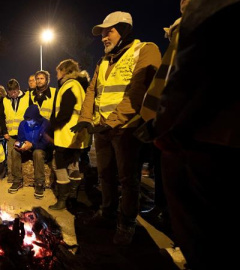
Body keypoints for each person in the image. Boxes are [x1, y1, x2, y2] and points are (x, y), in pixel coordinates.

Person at [152, 0, 240, 268]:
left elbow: (187, 74)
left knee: (203, 236)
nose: (181, 1)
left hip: (204, 138)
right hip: (216, 133)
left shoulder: (209, 7)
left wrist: (165, 127)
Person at [72, 11, 161, 245]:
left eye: (108, 31)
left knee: (128, 179)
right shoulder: (103, 61)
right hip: (103, 129)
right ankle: (108, 212)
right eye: (102, 33)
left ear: (124, 30)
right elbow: (92, 90)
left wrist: (109, 123)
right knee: (105, 175)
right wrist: (85, 118)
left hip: (127, 130)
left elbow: (139, 91)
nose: (103, 37)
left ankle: (126, 223)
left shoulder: (145, 50)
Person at [136, 0, 191, 232]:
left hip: (177, 122)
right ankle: (163, 207)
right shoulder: (187, 27)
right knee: (163, 170)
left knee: (180, 178)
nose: (182, 2)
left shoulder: (193, 26)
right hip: (170, 120)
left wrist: (157, 120)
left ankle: (174, 221)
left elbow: (175, 82)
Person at [48, 59, 90, 210]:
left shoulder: (69, 85)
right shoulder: (80, 85)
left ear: (64, 71)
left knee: (59, 165)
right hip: (77, 135)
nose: (57, 75)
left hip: (67, 133)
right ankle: (73, 195)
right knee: (73, 164)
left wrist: (53, 125)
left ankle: (63, 199)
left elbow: (65, 111)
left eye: (57, 72)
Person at [8, 105, 53, 198]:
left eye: (31, 120)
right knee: (14, 151)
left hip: (41, 150)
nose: (29, 122)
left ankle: (39, 183)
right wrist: (20, 144)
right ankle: (17, 180)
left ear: (36, 117)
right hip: (27, 149)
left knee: (38, 153)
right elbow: (21, 138)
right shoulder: (23, 124)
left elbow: (46, 144)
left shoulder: (45, 124)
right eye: (27, 120)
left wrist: (32, 145)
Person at [3, 79, 29, 183]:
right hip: (10, 134)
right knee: (11, 155)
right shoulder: (5, 100)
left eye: (15, 92)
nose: (13, 94)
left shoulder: (27, 97)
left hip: (24, 133)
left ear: (18, 89)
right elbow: (2, 117)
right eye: (10, 92)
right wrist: (5, 131)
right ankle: (11, 175)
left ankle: (24, 176)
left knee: (23, 155)